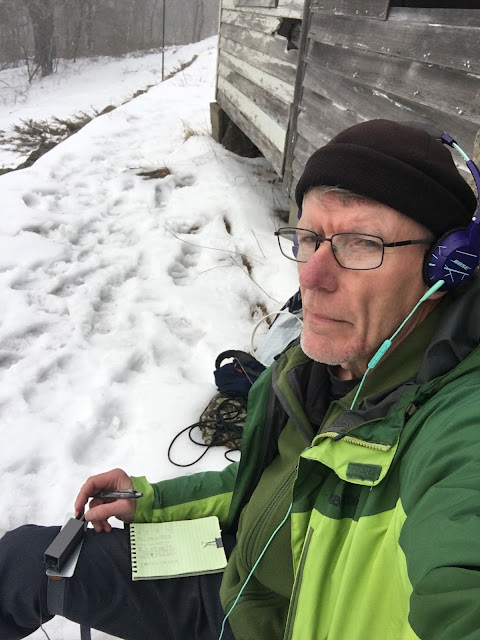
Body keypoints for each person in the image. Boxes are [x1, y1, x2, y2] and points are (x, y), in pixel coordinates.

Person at [1, 118, 480, 640]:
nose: (312, 276)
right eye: (309, 238)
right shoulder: (316, 375)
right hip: (229, 583)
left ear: (445, 268)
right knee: (27, 563)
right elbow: (263, 487)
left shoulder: (455, 428)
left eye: (361, 243)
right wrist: (152, 501)